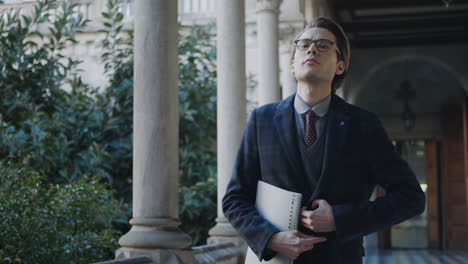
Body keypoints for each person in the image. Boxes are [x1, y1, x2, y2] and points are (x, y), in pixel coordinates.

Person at [222, 17, 425, 264]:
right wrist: (271, 238)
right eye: (303, 44)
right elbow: (234, 199)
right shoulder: (261, 120)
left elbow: (411, 197)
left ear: (340, 66)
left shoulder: (363, 125)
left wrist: (340, 219)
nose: (311, 49)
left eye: (323, 45)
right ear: (292, 64)